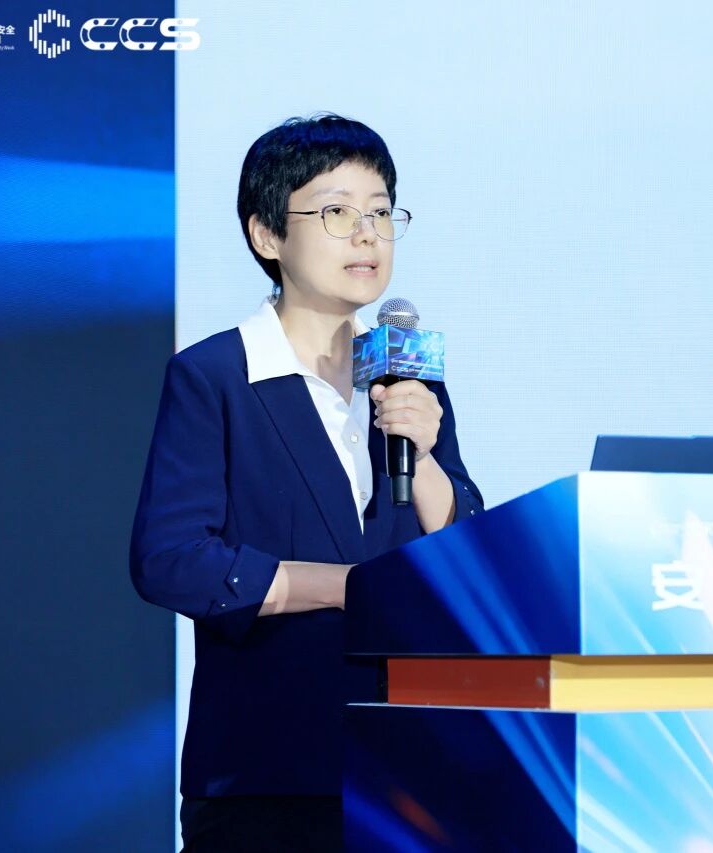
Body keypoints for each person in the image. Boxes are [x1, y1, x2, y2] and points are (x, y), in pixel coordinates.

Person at [130, 114, 483, 852]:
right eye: (337, 212)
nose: (367, 234)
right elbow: (170, 559)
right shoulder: (215, 376)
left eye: (382, 213)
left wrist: (427, 463)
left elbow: (469, 552)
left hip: (413, 762)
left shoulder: (410, 375)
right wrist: (345, 586)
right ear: (267, 235)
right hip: (268, 772)